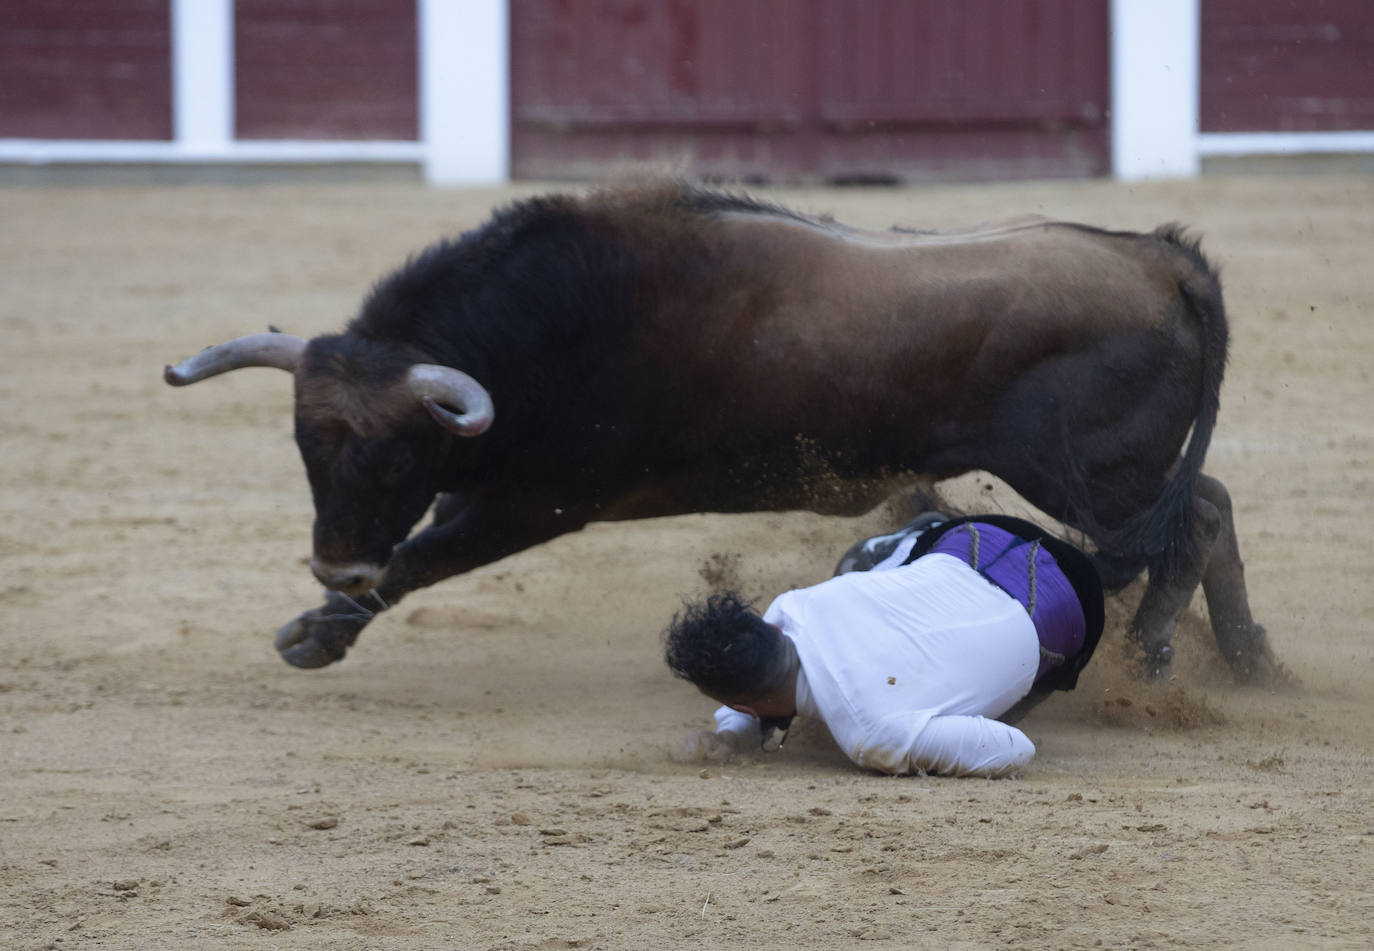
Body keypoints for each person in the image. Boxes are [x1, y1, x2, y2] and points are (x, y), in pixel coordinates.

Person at [662, 513, 1104, 777]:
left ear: (750, 709)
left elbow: (1017, 749)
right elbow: (747, 698)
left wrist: (732, 735)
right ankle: (913, 536)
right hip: (974, 535)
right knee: (862, 576)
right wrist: (731, 735)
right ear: (772, 632)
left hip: (1074, 605)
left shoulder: (874, 736)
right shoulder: (790, 608)